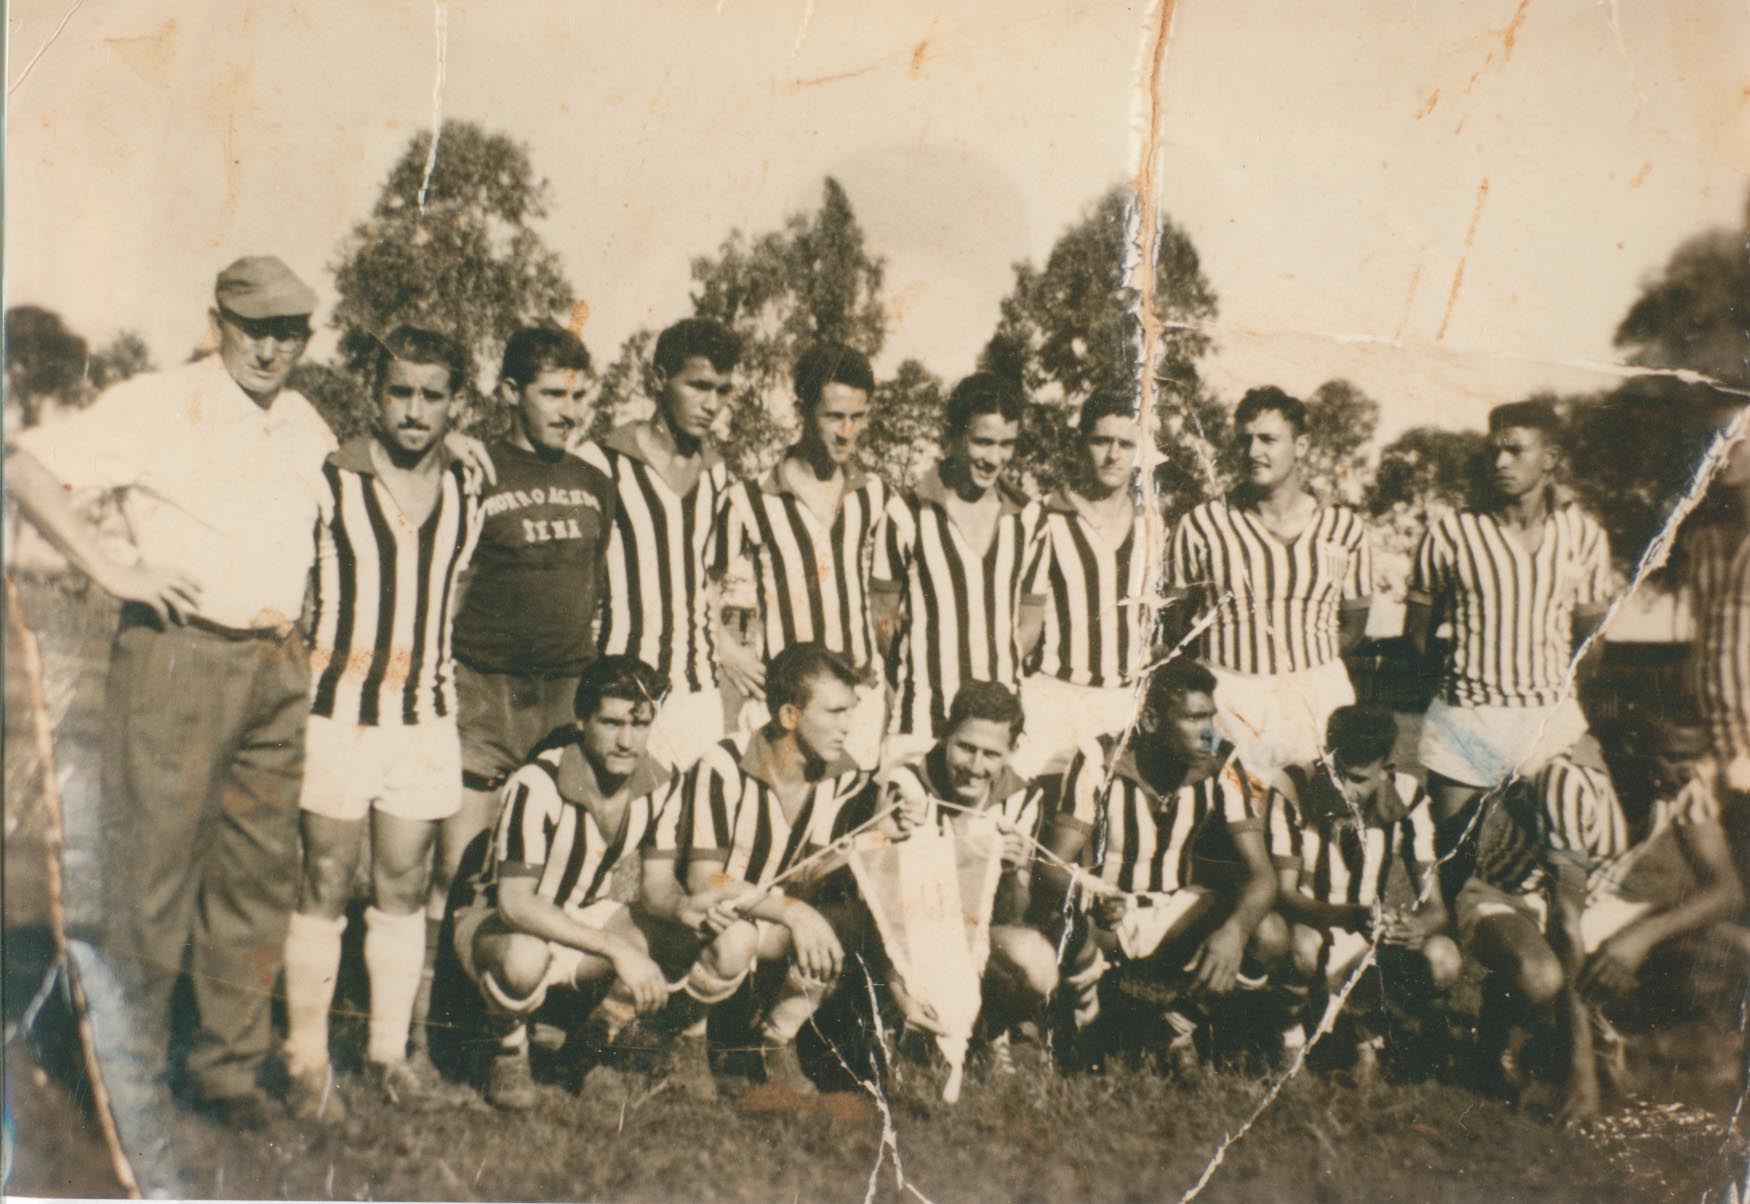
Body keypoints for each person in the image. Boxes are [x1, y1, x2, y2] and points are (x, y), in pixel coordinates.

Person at [6, 257, 337, 1129]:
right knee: (151, 877)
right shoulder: (160, 401)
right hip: (181, 655)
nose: (270, 349)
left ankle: (225, 1070)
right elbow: (27, 469)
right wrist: (112, 568)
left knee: (256, 877)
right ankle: (123, 1071)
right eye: (254, 328)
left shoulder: (304, 422)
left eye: (289, 332)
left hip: (276, 666)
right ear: (218, 321)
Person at [280, 325, 482, 1119]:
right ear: (376, 393)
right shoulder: (330, 480)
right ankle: (304, 1058)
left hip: (424, 715)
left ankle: (389, 1057)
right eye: (400, 392)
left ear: (455, 403)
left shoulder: (469, 491)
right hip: (338, 712)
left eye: (433, 396)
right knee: (326, 878)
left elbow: (452, 598)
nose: (415, 410)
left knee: (404, 883)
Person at [426, 325, 615, 1057]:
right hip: (485, 690)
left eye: (579, 395)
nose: (569, 410)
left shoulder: (594, 482)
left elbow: (595, 589)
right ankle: (441, 1028)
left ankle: (538, 1018)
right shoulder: (475, 470)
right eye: (552, 394)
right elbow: (448, 579)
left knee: (557, 861)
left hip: (566, 694)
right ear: (510, 393)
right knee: (461, 862)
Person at [448, 656, 720, 1111]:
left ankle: (591, 1049)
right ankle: (509, 1053)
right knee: (524, 957)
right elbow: (515, 904)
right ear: (581, 720)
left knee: (683, 934)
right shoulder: (538, 782)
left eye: (639, 725)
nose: (626, 741)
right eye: (611, 723)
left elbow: (656, 888)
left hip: (581, 914)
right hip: (501, 925)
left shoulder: (662, 782)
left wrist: (684, 907)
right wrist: (617, 949)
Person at [1456, 712, 1744, 1122]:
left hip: (1593, 906)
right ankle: (1511, 1023)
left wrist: (1640, 937)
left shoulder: (1681, 780)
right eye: (1674, 757)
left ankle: (1625, 1045)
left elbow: (1726, 888)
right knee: (1541, 977)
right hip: (1510, 901)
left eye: (1694, 756)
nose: (1688, 771)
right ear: (1632, 746)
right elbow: (1565, 919)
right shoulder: (1569, 780)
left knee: (1736, 946)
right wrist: (1582, 1074)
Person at [1407, 400, 1613, 904]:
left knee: (1564, 872)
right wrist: (1457, 687)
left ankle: (1557, 947)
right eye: (1494, 451)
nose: (1500, 462)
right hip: (1466, 719)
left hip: (1548, 721)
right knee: (1457, 866)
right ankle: (1456, 944)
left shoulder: (1583, 536)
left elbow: (1591, 642)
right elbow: (1417, 634)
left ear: (1550, 458)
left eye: (1516, 450)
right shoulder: (1451, 532)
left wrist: (1554, 692)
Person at [1035, 659, 1284, 1070]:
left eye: (1210, 716)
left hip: (1177, 910)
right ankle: (1088, 1027)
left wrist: (1234, 933)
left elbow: (1262, 876)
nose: (1209, 731)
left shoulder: (1225, 762)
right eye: (1193, 718)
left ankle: (1174, 1026)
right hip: (1109, 914)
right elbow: (1051, 864)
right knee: (1065, 926)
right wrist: (1094, 895)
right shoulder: (1098, 758)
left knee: (1269, 934)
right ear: (1151, 720)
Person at [660, 643, 873, 1094]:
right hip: (710, 921)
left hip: (773, 920)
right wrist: (794, 912)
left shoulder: (843, 775)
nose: (847, 726)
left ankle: (774, 1038)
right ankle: (686, 1035)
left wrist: (879, 837)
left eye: (850, 711)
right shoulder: (723, 763)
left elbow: (810, 875)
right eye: (835, 712)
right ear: (790, 715)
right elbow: (703, 879)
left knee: (852, 923)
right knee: (735, 938)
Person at [1165, 386, 1372, 786]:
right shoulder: (1201, 525)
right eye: (1244, 440)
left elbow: (1354, 625)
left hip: (1317, 696)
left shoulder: (1344, 527)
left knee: (1317, 808)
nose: (1253, 451)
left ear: (1301, 446)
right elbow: (1175, 623)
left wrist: (1302, 658)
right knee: (1232, 811)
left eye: (1268, 439)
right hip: (1230, 694)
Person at [710, 343, 890, 769]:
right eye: (833, 416)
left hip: (857, 700)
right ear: (802, 411)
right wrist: (725, 648)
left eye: (857, 417)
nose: (846, 431)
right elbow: (702, 582)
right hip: (784, 701)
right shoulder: (748, 498)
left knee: (851, 808)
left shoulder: (875, 494)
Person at [575, 318, 740, 771]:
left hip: (698, 694)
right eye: (699, 386)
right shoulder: (600, 463)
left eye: (723, 391)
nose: (712, 405)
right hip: (620, 693)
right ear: (659, 379)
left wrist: (727, 648)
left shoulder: (718, 474)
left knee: (697, 811)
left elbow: (709, 580)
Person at [876, 682, 1062, 1072]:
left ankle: (992, 1027)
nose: (975, 767)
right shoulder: (909, 782)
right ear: (945, 735)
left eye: (991, 754)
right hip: (912, 932)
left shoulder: (1021, 797)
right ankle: (902, 1021)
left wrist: (1013, 871)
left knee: (1038, 963)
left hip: (976, 932)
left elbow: (1016, 910)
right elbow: (885, 895)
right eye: (966, 747)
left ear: (1011, 752)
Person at [1269, 704, 1460, 1079]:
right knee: (1302, 946)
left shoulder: (1408, 795)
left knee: (1443, 956)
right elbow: (1285, 894)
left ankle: (1375, 1039)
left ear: (1387, 769)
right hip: (1311, 918)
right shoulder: (1293, 785)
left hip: (1365, 923)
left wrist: (1417, 926)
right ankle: (1289, 1038)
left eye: (1357, 779)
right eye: (1337, 773)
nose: (1344, 789)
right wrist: (1346, 915)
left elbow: (1435, 906)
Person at [872, 372, 1044, 766]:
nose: (993, 458)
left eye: (1006, 444)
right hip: (921, 719)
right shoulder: (905, 512)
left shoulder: (1030, 518)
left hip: (997, 728)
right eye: (982, 441)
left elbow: (1030, 623)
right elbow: (882, 619)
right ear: (952, 436)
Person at [1018, 394, 1162, 777]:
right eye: (1101, 441)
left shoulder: (1152, 525)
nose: (1113, 455)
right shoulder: (1043, 515)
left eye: (1126, 444)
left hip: (1123, 701)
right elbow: (1023, 622)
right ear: (1080, 443)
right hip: (1054, 696)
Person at [1685, 397, 1749, 830]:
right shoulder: (1703, 542)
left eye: (1735, 441)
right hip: (1717, 740)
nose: (1720, 452)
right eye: (1712, 440)